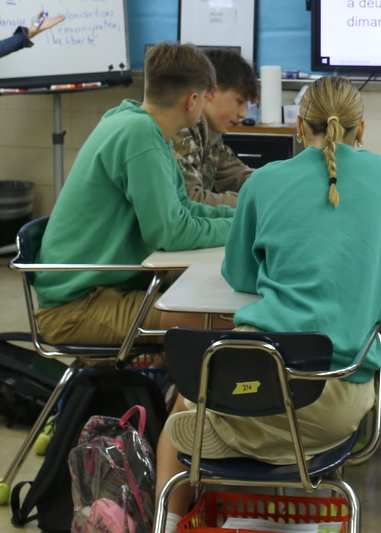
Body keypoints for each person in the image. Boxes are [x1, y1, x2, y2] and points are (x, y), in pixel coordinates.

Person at [153, 76, 381, 519]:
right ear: (361, 130)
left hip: (252, 386)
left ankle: (173, 520)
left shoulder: (265, 181)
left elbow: (240, 275)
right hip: (335, 408)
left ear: (298, 127)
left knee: (184, 401)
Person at [34, 42, 234, 346]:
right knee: (226, 323)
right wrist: (241, 228)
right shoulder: (139, 135)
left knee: (214, 292)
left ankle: (174, 388)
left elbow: (185, 210)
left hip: (106, 288)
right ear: (193, 100)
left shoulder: (142, 126)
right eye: (208, 97)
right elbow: (171, 233)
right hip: (76, 308)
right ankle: (182, 394)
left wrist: (243, 218)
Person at [171, 48, 258, 207]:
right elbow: (190, 201)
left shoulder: (209, 134)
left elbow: (238, 175)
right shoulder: (180, 131)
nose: (243, 114)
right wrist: (255, 202)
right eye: (239, 102)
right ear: (211, 92)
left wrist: (281, 185)